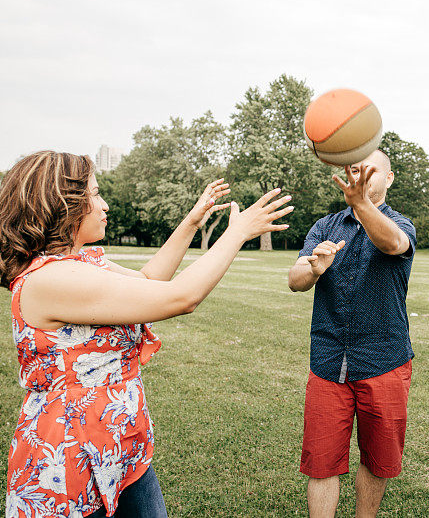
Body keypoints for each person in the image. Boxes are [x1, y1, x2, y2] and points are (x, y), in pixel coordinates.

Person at [1, 151, 293, 518]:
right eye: (95, 194)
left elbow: (148, 280)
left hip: (121, 442)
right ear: (65, 204)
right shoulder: (50, 280)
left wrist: (191, 222)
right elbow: (181, 297)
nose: (104, 204)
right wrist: (237, 234)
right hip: (68, 457)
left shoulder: (78, 264)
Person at [287, 150, 416, 518]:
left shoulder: (401, 225)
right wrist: (314, 269)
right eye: (355, 171)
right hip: (329, 362)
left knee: (377, 461)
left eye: (370, 172)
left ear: (388, 179)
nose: (360, 177)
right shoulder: (326, 226)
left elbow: (392, 245)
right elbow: (295, 280)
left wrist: (363, 207)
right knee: (322, 463)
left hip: (384, 361)